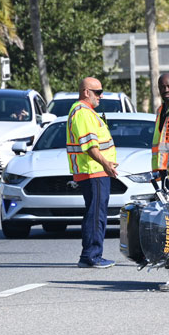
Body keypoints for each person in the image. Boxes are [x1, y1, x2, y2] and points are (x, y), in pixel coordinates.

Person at [66, 77, 118, 269]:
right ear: (86, 92)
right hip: (93, 171)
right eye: (97, 92)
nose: (101, 96)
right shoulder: (83, 113)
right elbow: (89, 146)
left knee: (95, 212)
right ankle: (91, 255)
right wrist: (106, 164)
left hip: (94, 171)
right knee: (96, 214)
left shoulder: (86, 112)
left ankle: (90, 254)